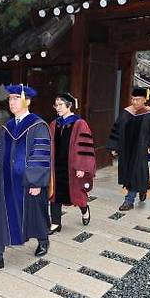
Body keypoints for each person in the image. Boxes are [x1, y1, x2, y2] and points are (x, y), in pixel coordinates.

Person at [0, 84, 51, 272]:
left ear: (28, 101)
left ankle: (43, 239)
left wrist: (36, 181)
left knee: (34, 214)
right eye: (10, 98)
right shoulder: (7, 127)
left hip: (27, 182)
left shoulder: (38, 125)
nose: (12, 102)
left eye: (17, 98)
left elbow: (40, 154)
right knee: (1, 217)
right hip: (7, 181)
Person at [107, 87, 150, 211]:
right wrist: (114, 146)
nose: (134, 102)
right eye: (132, 99)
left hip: (141, 148)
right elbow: (117, 129)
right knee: (131, 172)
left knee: (135, 172)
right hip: (126, 147)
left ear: (144, 100)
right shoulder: (126, 112)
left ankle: (129, 200)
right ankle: (142, 188)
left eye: (137, 99)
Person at [48, 92, 95, 233]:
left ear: (69, 105)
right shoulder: (54, 124)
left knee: (77, 194)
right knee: (53, 194)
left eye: (60, 105)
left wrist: (82, 167)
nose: (57, 108)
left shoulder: (80, 124)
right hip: (56, 167)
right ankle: (56, 223)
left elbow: (85, 147)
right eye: (56, 105)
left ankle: (85, 210)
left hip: (72, 167)